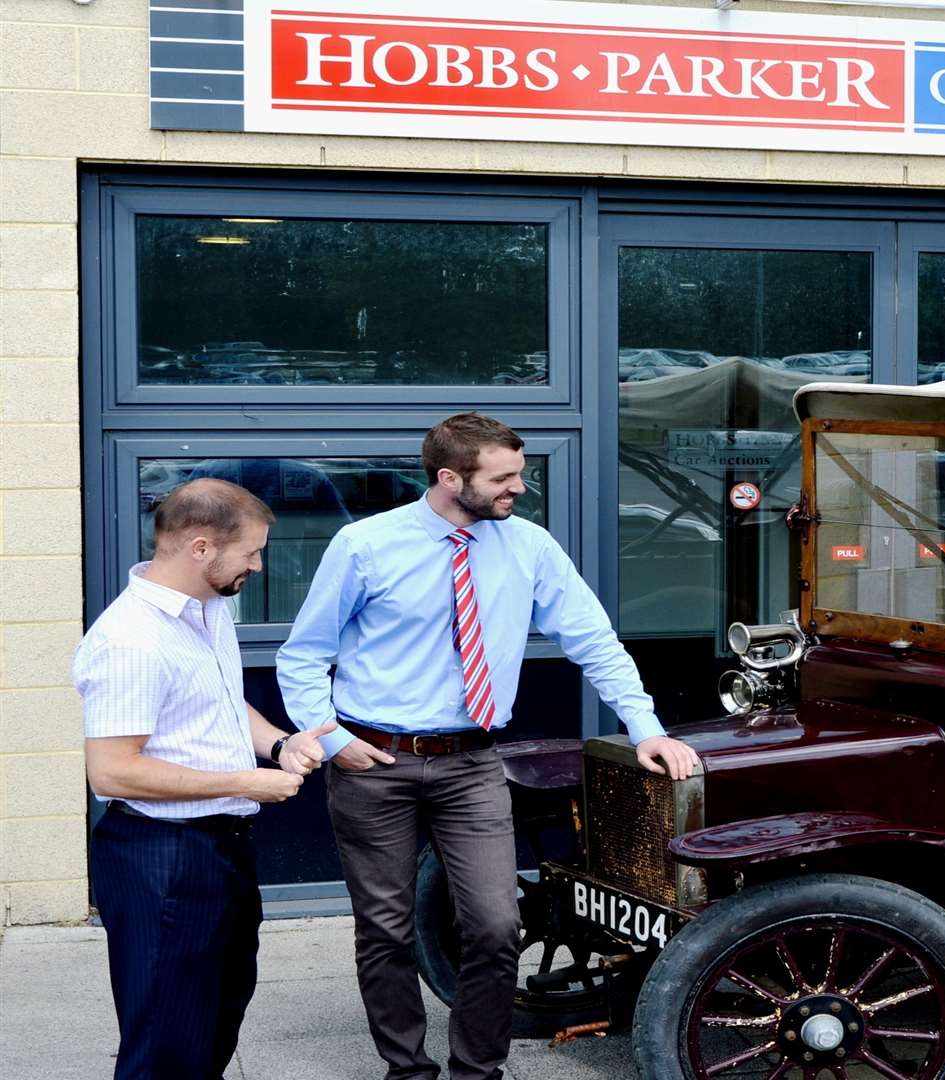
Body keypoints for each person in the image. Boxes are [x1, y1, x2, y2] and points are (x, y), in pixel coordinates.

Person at [277, 412, 699, 1080]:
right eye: (504, 478)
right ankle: (406, 1070)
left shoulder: (528, 547)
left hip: (472, 763)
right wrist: (331, 742)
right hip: (373, 763)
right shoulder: (365, 546)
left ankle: (478, 1071)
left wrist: (646, 728)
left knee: (497, 928)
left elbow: (592, 640)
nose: (520, 489)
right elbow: (303, 657)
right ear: (450, 478)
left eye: (519, 474)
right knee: (384, 931)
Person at [75, 478, 337, 1080]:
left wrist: (278, 743)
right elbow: (113, 771)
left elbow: (221, 703)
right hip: (163, 858)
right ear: (200, 548)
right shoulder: (131, 641)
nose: (259, 564)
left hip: (220, 848)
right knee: (168, 1042)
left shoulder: (207, 608)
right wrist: (245, 783)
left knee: (214, 1019)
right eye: (251, 551)